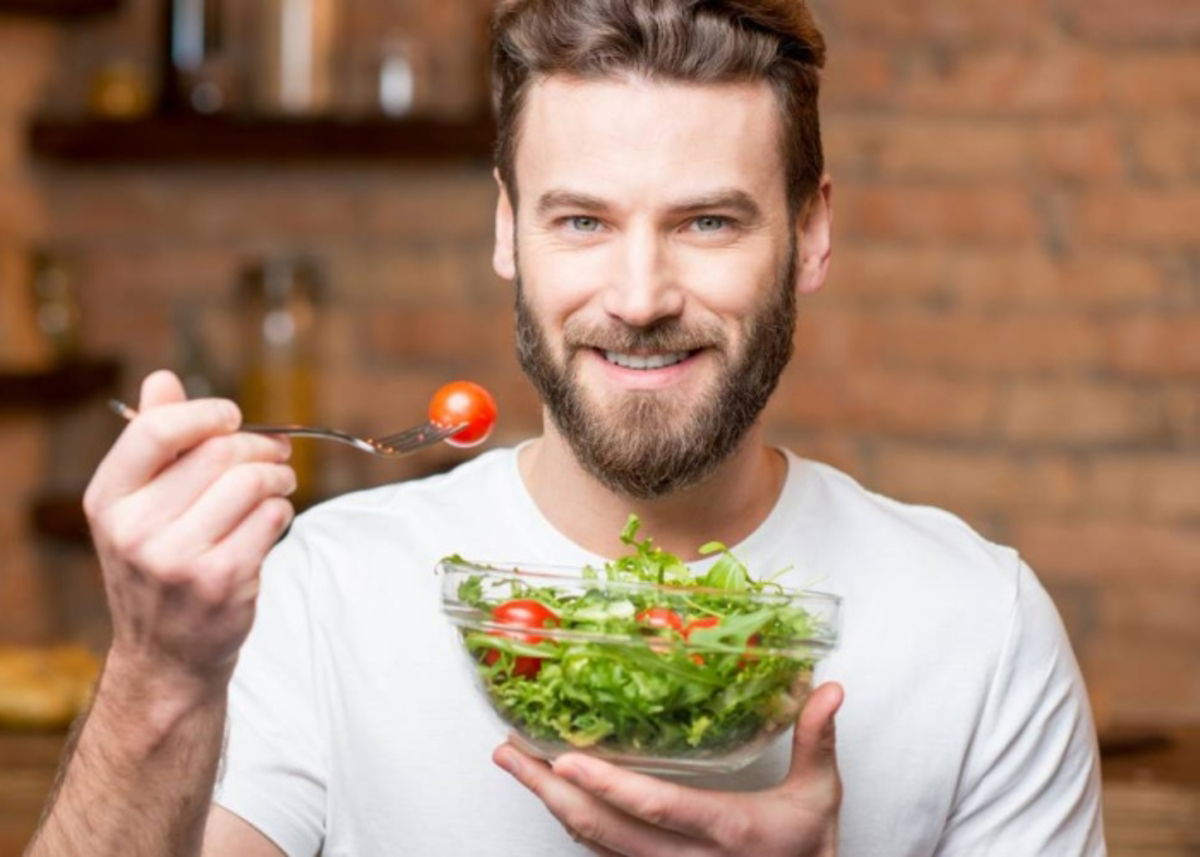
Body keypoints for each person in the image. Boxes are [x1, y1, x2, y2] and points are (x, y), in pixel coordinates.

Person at [27, 0, 1106, 854]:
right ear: (508, 230)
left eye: (709, 221)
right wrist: (156, 677)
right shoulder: (327, 590)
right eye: (582, 220)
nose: (638, 295)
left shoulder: (980, 626)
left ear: (811, 232)